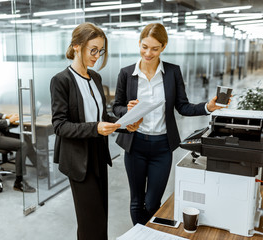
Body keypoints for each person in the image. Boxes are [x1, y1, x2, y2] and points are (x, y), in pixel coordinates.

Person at [112, 23, 229, 225]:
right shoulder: (126, 73)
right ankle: (142, 236)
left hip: (162, 147)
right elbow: (116, 107)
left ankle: (149, 232)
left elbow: (183, 107)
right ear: (139, 43)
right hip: (135, 144)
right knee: (136, 201)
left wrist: (207, 107)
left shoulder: (173, 72)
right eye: (144, 46)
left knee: (152, 202)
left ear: (164, 47)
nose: (148, 53)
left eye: (155, 48)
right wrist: (127, 110)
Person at [50, 22, 141, 240]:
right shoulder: (61, 81)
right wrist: (95, 128)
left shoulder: (96, 78)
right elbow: (60, 125)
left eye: (100, 51)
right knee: (90, 220)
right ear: (76, 46)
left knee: (101, 217)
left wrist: (124, 124)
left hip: (99, 154)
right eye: (93, 50)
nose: (97, 56)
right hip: (78, 159)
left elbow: (102, 118)